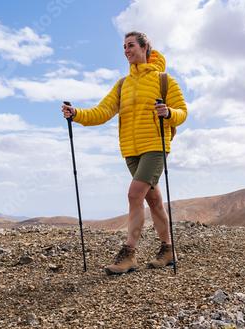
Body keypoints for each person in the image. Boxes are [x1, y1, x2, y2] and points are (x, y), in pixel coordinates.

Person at [62, 31, 187, 275]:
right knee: (153, 200)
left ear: (144, 47)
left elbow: (182, 111)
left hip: (155, 146)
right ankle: (168, 249)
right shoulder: (123, 84)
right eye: (124, 47)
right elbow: (102, 112)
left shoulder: (164, 80)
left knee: (134, 194)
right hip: (131, 151)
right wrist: (76, 114)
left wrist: (168, 113)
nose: (126, 50)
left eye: (131, 45)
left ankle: (128, 254)